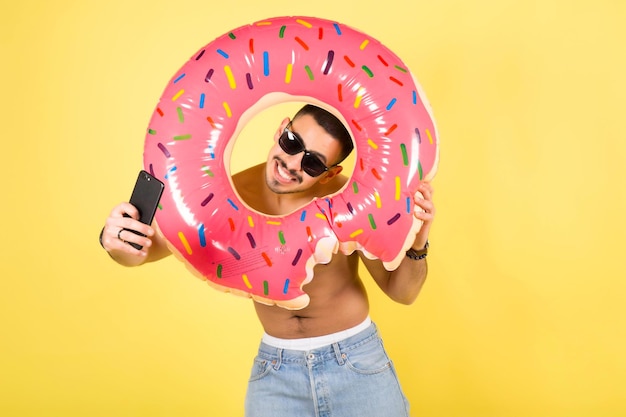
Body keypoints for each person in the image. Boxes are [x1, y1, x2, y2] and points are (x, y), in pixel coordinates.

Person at [100, 104, 435, 417]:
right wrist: (116, 242)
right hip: (277, 370)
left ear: (330, 174)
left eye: (313, 163)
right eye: (291, 142)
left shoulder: (350, 202)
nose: (292, 164)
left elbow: (402, 292)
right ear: (280, 130)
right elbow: (145, 252)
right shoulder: (228, 196)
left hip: (356, 362)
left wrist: (418, 242)